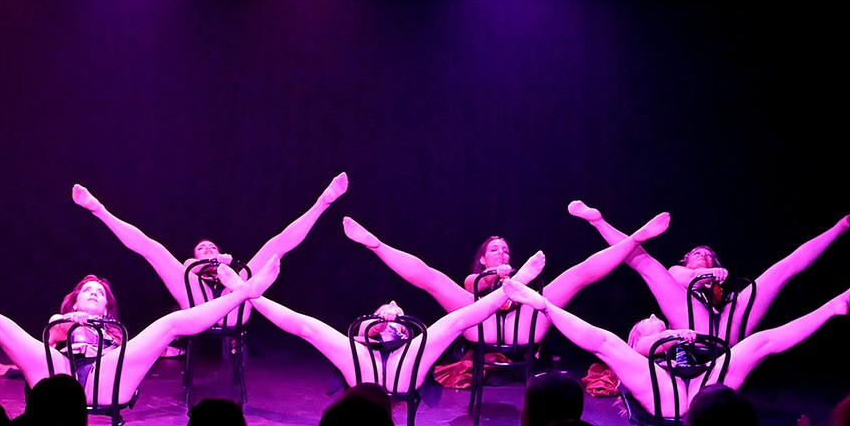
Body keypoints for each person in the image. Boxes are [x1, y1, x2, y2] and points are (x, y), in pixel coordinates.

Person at [0, 247, 281, 408]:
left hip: (107, 377)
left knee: (170, 324)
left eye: (99, 293)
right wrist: (67, 325)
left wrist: (99, 332)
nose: (93, 294)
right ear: (73, 300)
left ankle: (243, 293)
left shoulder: (112, 330)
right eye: (86, 291)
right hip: (58, 378)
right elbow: (50, 341)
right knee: (1, 326)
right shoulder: (59, 322)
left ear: (108, 305)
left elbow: (133, 349)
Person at [499, 277, 850, 413]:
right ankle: (544, 304)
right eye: (648, 325)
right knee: (606, 342)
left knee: (759, 342)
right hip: (663, 390)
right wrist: (665, 335)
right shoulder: (643, 343)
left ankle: (831, 308)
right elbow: (626, 347)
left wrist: (684, 339)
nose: (654, 321)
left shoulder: (682, 327)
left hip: (702, 383)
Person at [225, 251, 547, 392]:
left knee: (454, 323)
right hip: (365, 367)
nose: (392, 308)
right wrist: (378, 323)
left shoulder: (410, 337)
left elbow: (458, 321)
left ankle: (511, 288)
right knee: (307, 327)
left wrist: (395, 323)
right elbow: (351, 332)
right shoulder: (364, 334)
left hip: (404, 366)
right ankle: (247, 292)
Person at [341, 209, 670, 345]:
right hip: (480, 326)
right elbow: (472, 286)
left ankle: (634, 239)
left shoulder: (510, 272)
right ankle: (376, 244)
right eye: (495, 250)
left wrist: (513, 279)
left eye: (506, 251)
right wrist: (491, 278)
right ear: (483, 257)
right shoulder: (477, 277)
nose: (502, 253)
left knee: (575, 276)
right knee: (434, 278)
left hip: (525, 328)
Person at [568, 200, 850, 343]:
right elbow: (675, 277)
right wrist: (700, 276)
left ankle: (840, 227)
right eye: (696, 254)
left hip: (729, 326)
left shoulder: (720, 282)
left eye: (707, 256)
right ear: (687, 260)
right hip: (693, 328)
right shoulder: (678, 273)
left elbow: (727, 294)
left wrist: (715, 282)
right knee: (646, 264)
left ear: (716, 262)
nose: (702, 255)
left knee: (782, 270)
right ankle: (598, 221)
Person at [71, 173, 348, 318]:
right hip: (198, 310)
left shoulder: (233, 268)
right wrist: (208, 264)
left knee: (275, 245)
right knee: (152, 249)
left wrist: (227, 266)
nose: (207, 250)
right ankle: (99, 210)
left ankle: (323, 202)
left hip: (235, 308)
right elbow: (186, 265)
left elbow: (277, 246)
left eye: (212, 248)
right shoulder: (189, 271)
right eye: (201, 249)